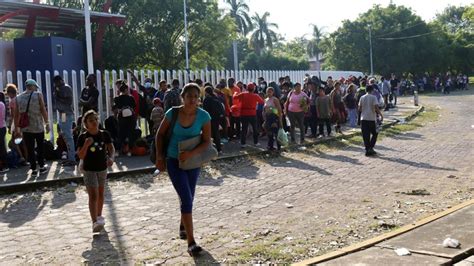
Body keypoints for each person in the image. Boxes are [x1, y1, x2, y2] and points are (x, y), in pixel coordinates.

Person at [155, 83, 211, 257]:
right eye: (189, 96)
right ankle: (191, 242)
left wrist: (191, 153)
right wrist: (159, 157)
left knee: (189, 196)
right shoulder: (172, 113)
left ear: (199, 98)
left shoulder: (204, 116)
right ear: (183, 97)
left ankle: (182, 225)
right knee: (186, 198)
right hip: (173, 160)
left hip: (193, 162)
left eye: (195, 96)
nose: (192, 99)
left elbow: (207, 141)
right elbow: (160, 134)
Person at [77, 110, 115, 233]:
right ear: (86, 124)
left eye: (96, 119)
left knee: (100, 193)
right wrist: (86, 145)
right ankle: (94, 222)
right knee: (93, 195)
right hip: (89, 169)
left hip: (102, 168)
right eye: (91, 120)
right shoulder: (83, 137)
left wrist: (111, 157)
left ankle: (99, 216)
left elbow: (111, 148)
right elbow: (81, 155)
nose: (94, 122)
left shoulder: (105, 134)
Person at [14, 79, 50, 176]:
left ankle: (33, 169)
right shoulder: (38, 95)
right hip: (38, 126)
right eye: (35, 87)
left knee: (30, 149)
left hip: (26, 128)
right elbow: (43, 109)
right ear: (32, 86)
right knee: (40, 147)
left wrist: (17, 129)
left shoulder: (18, 98)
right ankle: (42, 167)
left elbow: (16, 115)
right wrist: (47, 123)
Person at [53, 75, 76, 167]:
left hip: (66, 114)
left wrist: (58, 96)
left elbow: (68, 101)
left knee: (68, 136)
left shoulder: (66, 88)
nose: (56, 84)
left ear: (60, 81)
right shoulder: (59, 89)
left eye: (57, 82)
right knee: (65, 136)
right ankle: (70, 158)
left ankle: (72, 159)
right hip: (62, 114)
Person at [233, 83, 264, 148]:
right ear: (254, 89)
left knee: (244, 129)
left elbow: (235, 97)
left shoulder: (243, 94)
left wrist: (235, 93)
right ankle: (256, 142)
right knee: (255, 129)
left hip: (243, 114)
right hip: (253, 113)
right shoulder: (256, 96)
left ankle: (243, 143)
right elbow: (262, 102)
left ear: (247, 88)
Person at [359, 85, 383, 156]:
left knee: (365, 135)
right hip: (371, 118)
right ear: (372, 90)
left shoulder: (362, 97)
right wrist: (380, 115)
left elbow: (359, 108)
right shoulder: (373, 97)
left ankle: (367, 149)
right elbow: (376, 107)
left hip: (363, 118)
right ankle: (370, 148)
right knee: (375, 133)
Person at [113, 82, 137, 157]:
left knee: (120, 134)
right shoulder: (130, 98)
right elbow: (134, 106)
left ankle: (117, 151)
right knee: (130, 134)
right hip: (130, 117)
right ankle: (130, 151)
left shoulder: (117, 98)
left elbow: (116, 107)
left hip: (121, 117)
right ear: (126, 89)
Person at [203, 86, 225, 153]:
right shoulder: (216, 98)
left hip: (209, 118)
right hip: (217, 118)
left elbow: (205, 110)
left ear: (206, 92)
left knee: (208, 133)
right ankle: (219, 149)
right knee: (216, 133)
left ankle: (208, 149)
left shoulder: (206, 99)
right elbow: (222, 106)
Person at [0, 92, 8, 172]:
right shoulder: (2, 104)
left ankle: (3, 165)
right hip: (2, 127)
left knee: (1, 148)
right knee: (2, 147)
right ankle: (4, 164)